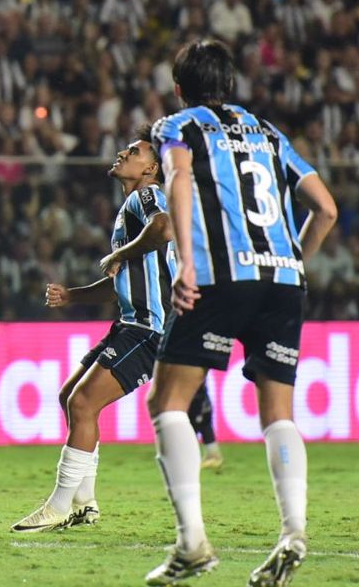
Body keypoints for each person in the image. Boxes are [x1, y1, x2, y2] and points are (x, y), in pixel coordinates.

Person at [144, 39, 338, 586]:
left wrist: (185, 261)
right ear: (231, 85)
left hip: (220, 275)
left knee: (167, 401)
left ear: (179, 88)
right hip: (282, 278)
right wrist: (293, 263)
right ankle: (293, 530)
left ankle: (192, 544)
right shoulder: (271, 134)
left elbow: (180, 179)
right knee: (278, 412)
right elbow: (326, 209)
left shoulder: (177, 126)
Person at [11, 123, 176, 532]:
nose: (122, 153)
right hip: (127, 323)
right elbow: (122, 276)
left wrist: (118, 251)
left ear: (151, 168)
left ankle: (59, 504)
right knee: (71, 396)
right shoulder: (130, 206)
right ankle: (84, 503)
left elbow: (165, 228)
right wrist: (73, 295)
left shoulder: (148, 196)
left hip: (150, 328)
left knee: (84, 404)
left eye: (133, 152)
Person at [187, 379, 221, 471]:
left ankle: (212, 457)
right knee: (204, 427)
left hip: (199, 404)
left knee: (200, 428)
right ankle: (212, 456)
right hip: (201, 403)